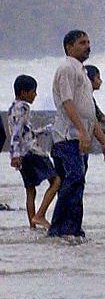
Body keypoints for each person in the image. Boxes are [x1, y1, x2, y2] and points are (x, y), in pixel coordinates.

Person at [47, 30, 105, 239]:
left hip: (79, 137)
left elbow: (89, 113)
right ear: (69, 47)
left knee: (77, 182)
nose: (87, 46)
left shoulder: (82, 72)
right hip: (67, 137)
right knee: (74, 178)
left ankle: (73, 229)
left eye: (89, 42)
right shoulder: (67, 68)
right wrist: (84, 132)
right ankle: (59, 229)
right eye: (82, 43)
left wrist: (103, 143)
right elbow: (67, 102)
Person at [7, 74, 59, 228]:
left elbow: (23, 132)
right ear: (23, 93)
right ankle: (40, 215)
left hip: (22, 155)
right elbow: (17, 132)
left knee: (30, 190)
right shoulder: (24, 107)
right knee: (56, 181)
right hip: (31, 152)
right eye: (33, 91)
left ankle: (32, 225)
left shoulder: (12, 108)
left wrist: (45, 130)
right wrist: (14, 154)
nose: (35, 94)